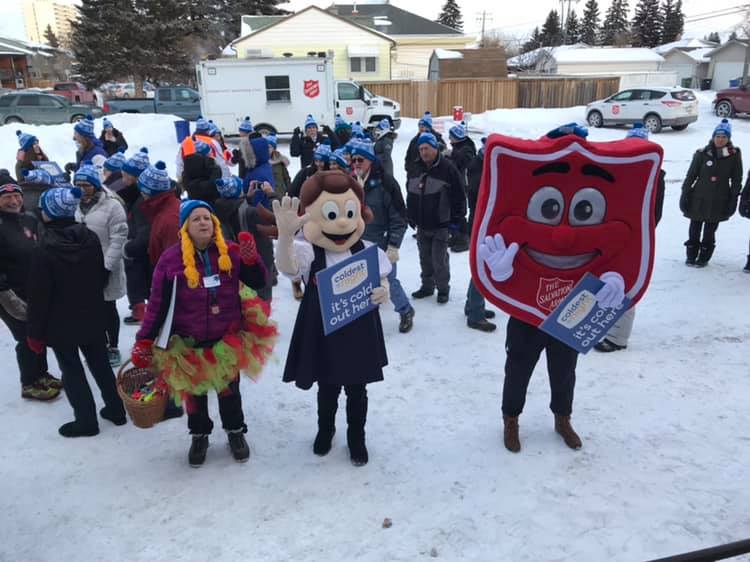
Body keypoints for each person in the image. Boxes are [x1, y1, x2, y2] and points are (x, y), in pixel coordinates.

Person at [132, 199, 275, 466]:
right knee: (195, 397)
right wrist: (145, 339)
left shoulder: (229, 252)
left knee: (229, 393)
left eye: (207, 218)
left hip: (226, 339)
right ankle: (199, 435)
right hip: (189, 343)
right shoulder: (170, 259)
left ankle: (235, 432)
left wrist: (251, 259)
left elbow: (258, 282)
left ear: (215, 224)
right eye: (196, 218)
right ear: (186, 226)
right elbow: (158, 305)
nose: (203, 223)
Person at [273, 172, 391, 466]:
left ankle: (356, 438)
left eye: (349, 214)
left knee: (357, 389)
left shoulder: (367, 251)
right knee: (327, 387)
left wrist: (383, 291)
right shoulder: (310, 252)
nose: (342, 223)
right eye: (331, 214)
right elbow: (288, 268)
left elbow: (383, 278)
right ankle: (325, 431)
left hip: (359, 329)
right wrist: (286, 237)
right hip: (323, 331)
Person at [27, 187, 127, 437]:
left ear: (49, 214)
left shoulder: (44, 249)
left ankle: (86, 421)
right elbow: (98, 276)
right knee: (101, 364)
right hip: (93, 314)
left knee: (71, 369)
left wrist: (34, 332)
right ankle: (116, 410)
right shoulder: (89, 237)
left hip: (61, 324)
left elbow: (39, 296)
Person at [594, 124, 666, 352]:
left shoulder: (655, 176)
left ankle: (618, 338)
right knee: (604, 281)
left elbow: (654, 213)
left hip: (632, 240)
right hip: (610, 236)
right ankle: (602, 324)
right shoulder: (617, 171)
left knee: (626, 285)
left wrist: (638, 235)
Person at [0, 178, 61, 401]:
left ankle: (41, 373)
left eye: (16, 196)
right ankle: (29, 382)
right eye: (6, 197)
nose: (13, 201)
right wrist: (9, 299)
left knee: (38, 332)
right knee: (25, 338)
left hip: (34, 289)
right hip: (10, 295)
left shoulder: (29, 219)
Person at [351, 140, 414, 333]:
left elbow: (399, 217)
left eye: (360, 159)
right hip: (357, 241)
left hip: (381, 241)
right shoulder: (351, 183)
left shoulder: (386, 183)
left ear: (370, 160)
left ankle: (405, 310)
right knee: (359, 282)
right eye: (353, 160)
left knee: (388, 279)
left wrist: (393, 245)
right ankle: (365, 317)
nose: (356, 163)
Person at [73, 162, 128, 367]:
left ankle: (112, 345)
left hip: (107, 265)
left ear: (95, 185)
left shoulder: (112, 205)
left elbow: (118, 237)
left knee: (108, 307)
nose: (83, 189)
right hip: (82, 267)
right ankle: (99, 344)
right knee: (91, 308)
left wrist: (106, 267)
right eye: (78, 185)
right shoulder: (74, 204)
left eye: (87, 185)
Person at [407, 132, 466, 304]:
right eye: (421, 149)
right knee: (424, 258)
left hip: (441, 224)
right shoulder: (415, 168)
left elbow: (459, 196)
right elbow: (410, 193)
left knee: (439, 260)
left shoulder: (448, 168)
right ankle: (427, 286)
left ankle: (442, 289)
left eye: (427, 148)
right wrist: (410, 215)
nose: (423, 152)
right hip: (422, 224)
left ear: (435, 148)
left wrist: (456, 222)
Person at [680, 118, 743, 267]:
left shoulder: (733, 155)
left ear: (728, 139)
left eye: (724, 137)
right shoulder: (702, 154)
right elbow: (691, 175)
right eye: (718, 136)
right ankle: (691, 255)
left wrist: (734, 197)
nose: (720, 140)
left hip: (719, 200)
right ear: (713, 137)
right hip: (699, 198)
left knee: (709, 231)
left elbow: (736, 178)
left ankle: (704, 257)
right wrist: (685, 192)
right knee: (694, 228)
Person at [214, 176, 278, 301]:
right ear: (238, 191)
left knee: (245, 298)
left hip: (238, 262)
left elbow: (236, 213)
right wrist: (271, 194)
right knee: (261, 299)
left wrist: (248, 198)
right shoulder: (252, 213)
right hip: (260, 261)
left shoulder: (219, 208)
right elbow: (276, 218)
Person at [464, 137, 497, 332]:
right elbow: (483, 193)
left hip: (482, 223)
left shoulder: (480, 164)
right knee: (482, 268)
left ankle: (472, 306)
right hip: (480, 224)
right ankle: (475, 314)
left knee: (480, 267)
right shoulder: (478, 167)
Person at [446, 121, 476, 254]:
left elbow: (464, 161)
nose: (449, 139)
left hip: (464, 185)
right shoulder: (459, 147)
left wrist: (451, 154)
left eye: (451, 136)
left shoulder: (467, 148)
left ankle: (464, 240)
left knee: (460, 212)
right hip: (455, 183)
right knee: (453, 211)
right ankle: (456, 236)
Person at [405, 112, 446, 181]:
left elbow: (443, 155)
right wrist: (409, 169)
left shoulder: (436, 139)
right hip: (415, 175)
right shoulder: (414, 141)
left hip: (432, 175)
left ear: (428, 127)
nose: (421, 128)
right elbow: (408, 157)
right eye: (419, 126)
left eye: (423, 126)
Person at [183, 140, 222, 204]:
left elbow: (186, 183)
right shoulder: (211, 167)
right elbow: (213, 185)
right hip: (210, 202)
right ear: (207, 153)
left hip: (194, 203)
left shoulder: (187, 165)